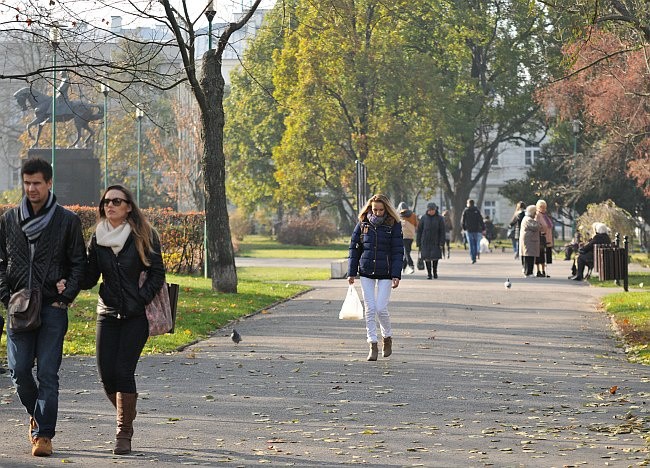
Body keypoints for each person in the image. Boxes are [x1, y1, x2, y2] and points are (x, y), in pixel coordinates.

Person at [0, 157, 86, 457]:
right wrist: (5, 296)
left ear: (49, 183)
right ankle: (37, 413)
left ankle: (43, 435)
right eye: (27, 183)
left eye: (37, 183)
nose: (31, 188)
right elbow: (1, 262)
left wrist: (66, 296)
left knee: (48, 372)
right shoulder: (9, 220)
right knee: (19, 370)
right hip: (18, 307)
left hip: (52, 306)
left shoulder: (67, 221)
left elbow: (79, 264)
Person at [78, 185, 165, 455]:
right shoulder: (98, 237)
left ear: (129, 206)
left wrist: (141, 298)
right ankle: (127, 411)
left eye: (117, 201)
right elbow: (91, 276)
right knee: (106, 375)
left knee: (123, 372)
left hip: (135, 316)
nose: (110, 205)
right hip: (107, 312)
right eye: (106, 201)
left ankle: (123, 433)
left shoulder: (143, 235)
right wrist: (67, 277)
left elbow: (157, 272)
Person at [347, 194, 403, 361]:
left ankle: (387, 337)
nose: (377, 213)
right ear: (370, 209)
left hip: (386, 271)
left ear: (386, 209)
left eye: (380, 210)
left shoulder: (394, 225)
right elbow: (354, 248)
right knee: (370, 309)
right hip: (366, 270)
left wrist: (396, 274)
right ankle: (372, 344)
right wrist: (351, 272)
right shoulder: (363, 224)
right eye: (374, 210)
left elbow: (398, 251)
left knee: (380, 308)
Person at [416, 202, 445, 279]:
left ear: (435, 210)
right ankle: (429, 274)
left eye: (433, 210)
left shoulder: (439, 218)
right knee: (426, 258)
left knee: (435, 258)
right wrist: (418, 242)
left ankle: (435, 272)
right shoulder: (424, 218)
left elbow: (442, 231)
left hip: (436, 241)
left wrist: (442, 242)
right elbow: (419, 231)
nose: (431, 211)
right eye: (430, 210)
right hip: (425, 241)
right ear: (427, 210)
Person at [461, 199, 485, 264]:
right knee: (476, 243)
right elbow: (481, 220)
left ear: (468, 203)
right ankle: (477, 251)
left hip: (469, 230)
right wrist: (483, 228)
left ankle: (473, 258)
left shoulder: (466, 211)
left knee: (471, 244)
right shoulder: (477, 210)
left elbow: (462, 221)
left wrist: (464, 228)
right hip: (476, 229)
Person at [534, 199, 554, 278]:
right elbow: (537, 225)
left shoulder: (545, 215)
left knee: (545, 256)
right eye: (541, 207)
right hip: (541, 239)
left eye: (544, 207)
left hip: (547, 238)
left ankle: (544, 271)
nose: (543, 208)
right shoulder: (537, 215)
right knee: (540, 255)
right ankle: (538, 271)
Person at [519, 205, 540, 277]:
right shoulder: (528, 219)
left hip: (529, 240)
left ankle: (527, 271)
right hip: (529, 241)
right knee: (529, 257)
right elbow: (536, 227)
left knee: (528, 256)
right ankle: (528, 272)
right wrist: (538, 220)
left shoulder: (527, 218)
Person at [397, 202, 418, 275]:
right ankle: (403, 267)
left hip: (403, 236)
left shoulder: (398, 215)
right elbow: (416, 225)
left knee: (406, 252)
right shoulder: (413, 215)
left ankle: (411, 265)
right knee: (407, 251)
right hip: (411, 236)